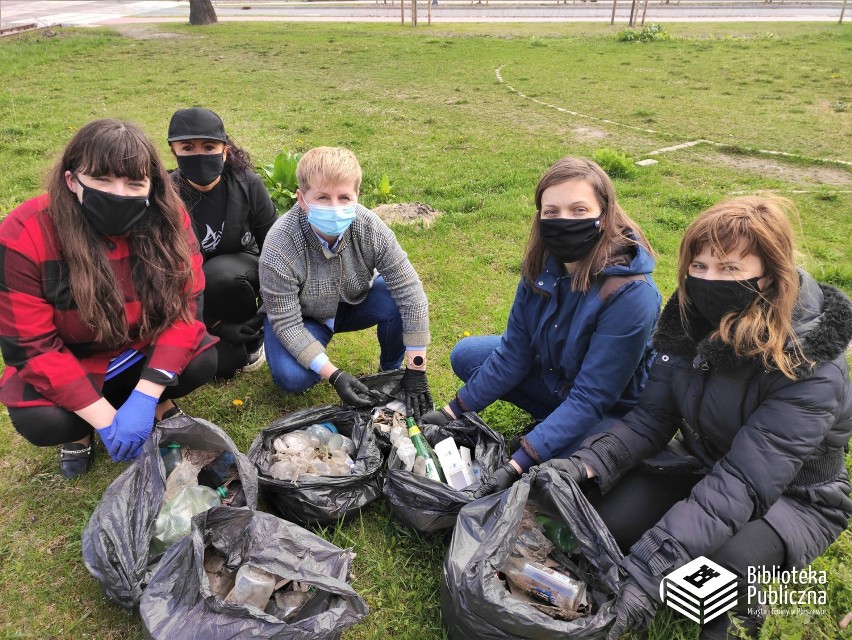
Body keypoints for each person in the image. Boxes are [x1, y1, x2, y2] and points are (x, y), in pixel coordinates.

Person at [549, 195, 852, 639]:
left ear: (770, 274)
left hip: (795, 497)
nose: (710, 280)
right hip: (700, 463)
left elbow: (744, 480)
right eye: (701, 266)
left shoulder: (809, 364)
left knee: (710, 583)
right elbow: (650, 419)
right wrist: (582, 464)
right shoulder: (688, 320)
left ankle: (752, 599)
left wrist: (650, 571)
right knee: (606, 527)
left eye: (731, 268)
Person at [421, 156, 661, 497]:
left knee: (560, 470)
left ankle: (563, 434)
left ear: (604, 216)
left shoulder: (631, 294)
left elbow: (593, 396)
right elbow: (512, 355)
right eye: (552, 212)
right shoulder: (541, 266)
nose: (564, 221)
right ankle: (555, 426)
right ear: (540, 217)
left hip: (611, 407)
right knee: (468, 355)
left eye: (579, 210)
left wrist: (518, 462)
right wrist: (451, 412)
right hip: (560, 379)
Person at [0, 119, 218, 478]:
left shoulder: (168, 217)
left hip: (138, 345)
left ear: (152, 184)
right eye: (102, 180)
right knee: (42, 421)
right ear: (71, 180)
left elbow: (185, 311)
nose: (119, 193)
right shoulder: (25, 231)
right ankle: (86, 424)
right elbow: (32, 346)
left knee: (201, 361)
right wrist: (101, 416)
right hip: (75, 356)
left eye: (134, 183)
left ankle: (155, 401)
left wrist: (147, 395)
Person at [259, 146, 433, 419]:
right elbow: (287, 323)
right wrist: (335, 375)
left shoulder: (370, 227)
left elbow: (411, 293)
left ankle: (391, 372)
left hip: (352, 304)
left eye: (344, 197)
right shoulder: (279, 245)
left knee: (394, 294)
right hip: (303, 318)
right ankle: (308, 351)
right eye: (322, 197)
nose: (335, 207)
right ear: (302, 199)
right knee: (291, 378)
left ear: (356, 197)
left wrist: (417, 368)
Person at [168, 107, 277, 378]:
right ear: (174, 152)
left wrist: (265, 311)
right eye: (187, 148)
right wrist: (215, 325)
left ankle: (255, 334)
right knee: (224, 366)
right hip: (193, 293)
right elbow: (164, 274)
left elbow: (276, 251)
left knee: (219, 274)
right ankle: (225, 336)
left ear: (224, 150)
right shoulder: (166, 196)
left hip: (240, 275)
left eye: (208, 147)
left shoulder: (248, 184)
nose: (199, 155)